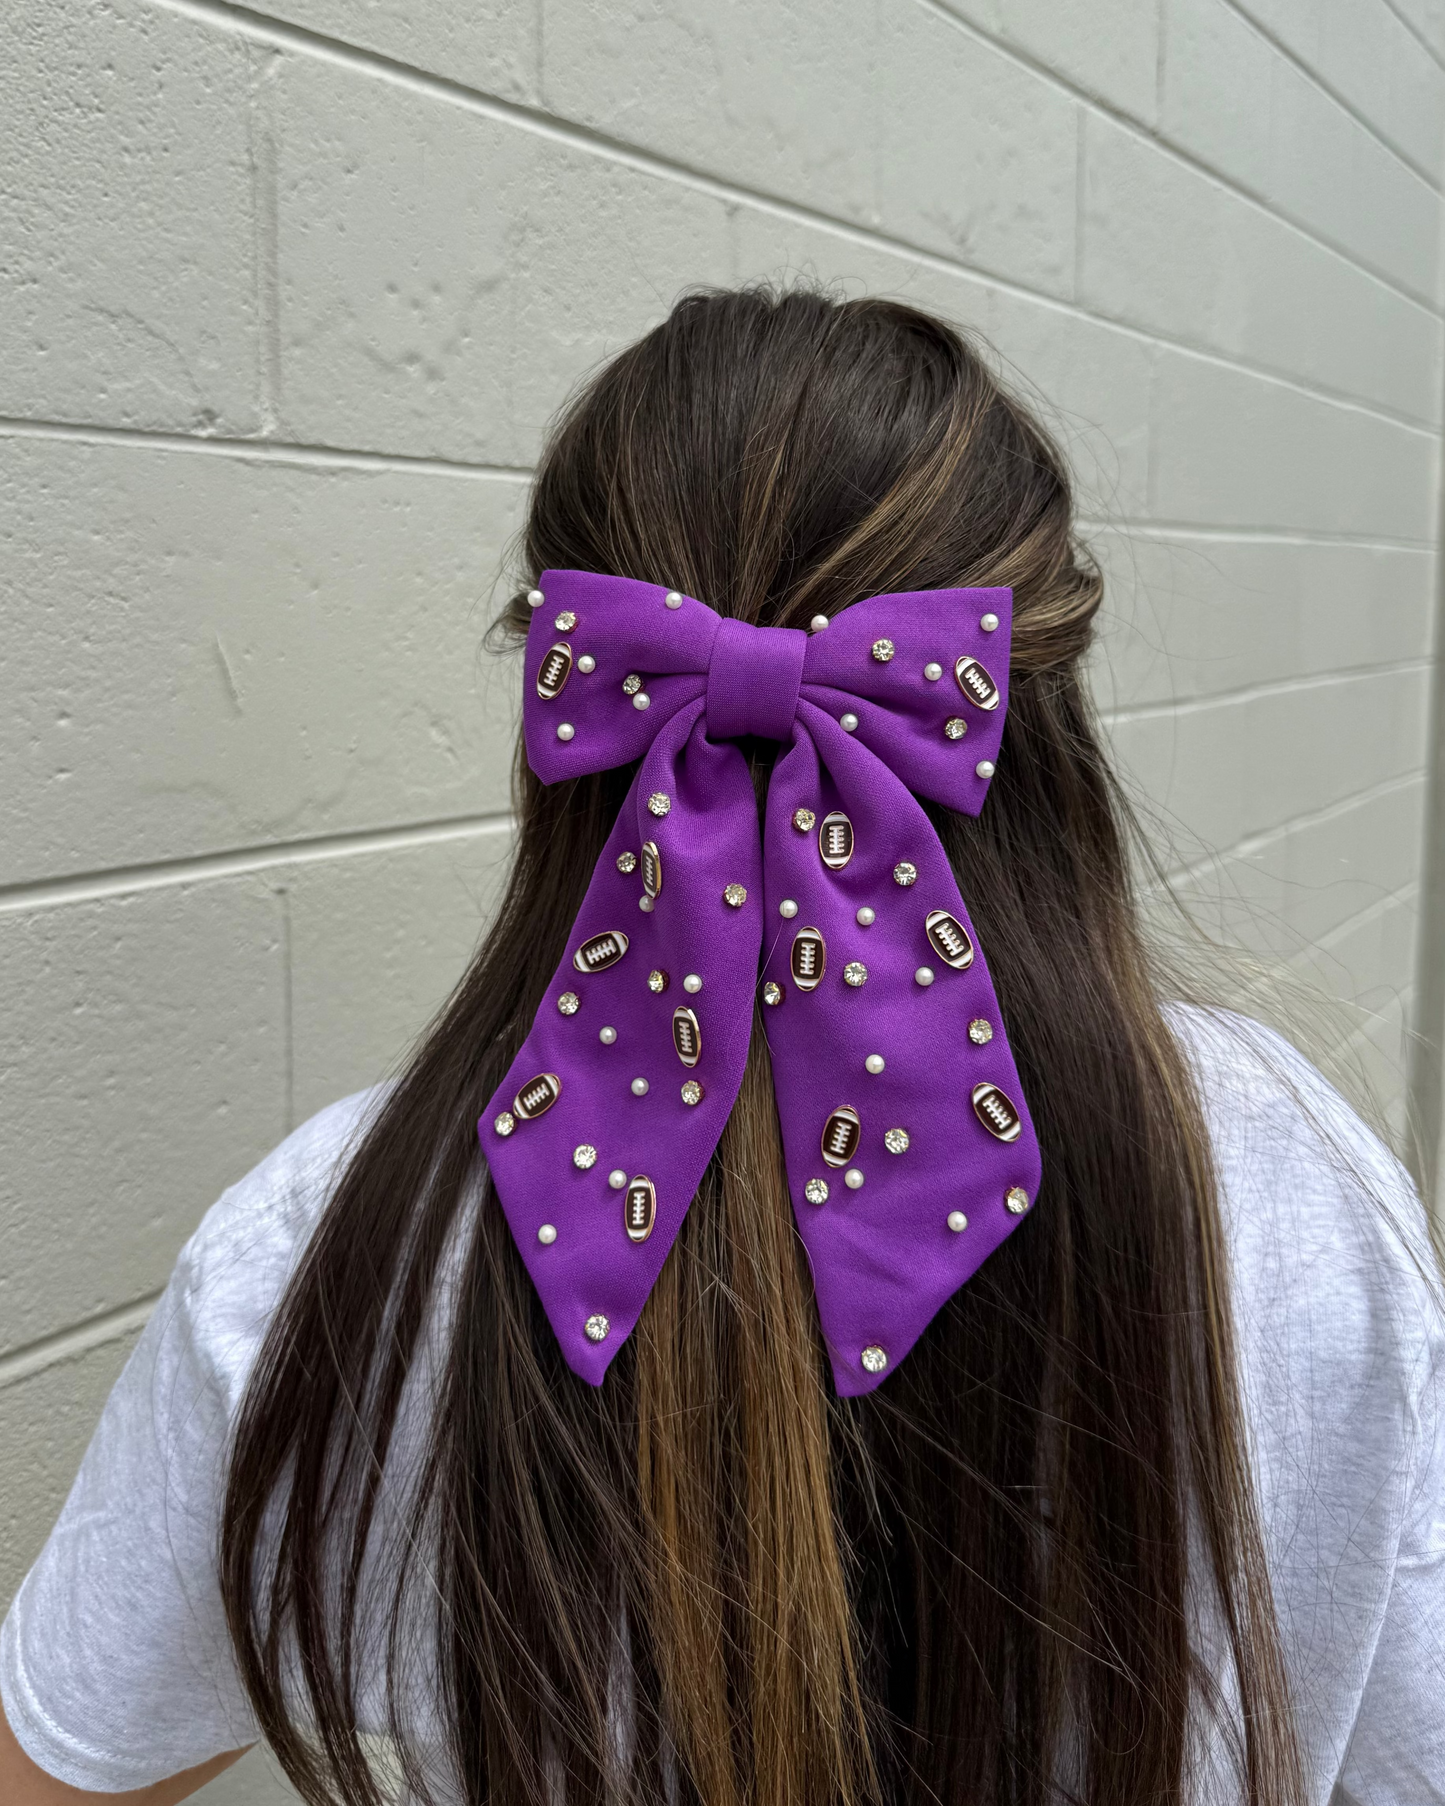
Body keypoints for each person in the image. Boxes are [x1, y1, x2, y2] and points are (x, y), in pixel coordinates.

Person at [3, 287, 1442, 1806]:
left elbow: (58, 1761)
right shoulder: (1296, 1201)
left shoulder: (333, 1249)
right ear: (1038, 698)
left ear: (565, 694)